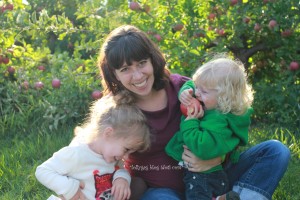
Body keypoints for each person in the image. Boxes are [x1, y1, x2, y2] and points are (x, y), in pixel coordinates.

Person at [98, 24, 291, 200]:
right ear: (113, 74)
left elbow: (225, 121)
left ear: (152, 60)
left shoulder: (184, 89)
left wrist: (218, 157)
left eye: (141, 63)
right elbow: (91, 147)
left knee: (276, 151)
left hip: (215, 177)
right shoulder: (116, 109)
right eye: (125, 69)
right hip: (163, 190)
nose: (138, 75)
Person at [165, 56, 254, 200]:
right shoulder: (209, 101)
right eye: (198, 87)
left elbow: (201, 147)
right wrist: (186, 92)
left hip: (204, 176)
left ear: (224, 98)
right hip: (208, 173)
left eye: (204, 91)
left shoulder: (218, 124)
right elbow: (191, 85)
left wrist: (190, 121)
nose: (197, 93)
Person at [35, 91, 151, 200]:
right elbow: (43, 171)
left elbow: (120, 169)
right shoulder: (77, 153)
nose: (126, 157)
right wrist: (70, 188)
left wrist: (121, 178)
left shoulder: (112, 156)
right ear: (108, 133)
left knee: (139, 184)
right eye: (126, 149)